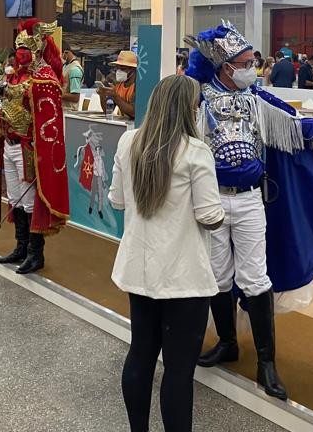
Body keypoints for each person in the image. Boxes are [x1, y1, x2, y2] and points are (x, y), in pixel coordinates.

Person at [185, 22, 313, 401]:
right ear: (226, 67)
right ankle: (227, 342)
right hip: (212, 199)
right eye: (245, 63)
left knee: (255, 276)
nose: (251, 68)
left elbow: (294, 126)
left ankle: (266, 362)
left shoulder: (257, 99)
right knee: (219, 275)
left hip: (252, 199)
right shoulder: (198, 99)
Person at [110, 75, 225, 432]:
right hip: (184, 276)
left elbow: (117, 200)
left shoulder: (128, 142)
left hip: (139, 270)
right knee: (178, 370)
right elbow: (210, 216)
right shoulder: (195, 152)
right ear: (190, 109)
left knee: (140, 354)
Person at [0, 20, 69, 274]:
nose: (20, 54)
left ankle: (36, 254)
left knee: (30, 200)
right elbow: (6, 108)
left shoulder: (44, 79)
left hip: (29, 148)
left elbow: (48, 118)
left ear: (36, 50)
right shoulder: (14, 76)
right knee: (15, 198)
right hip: (10, 144)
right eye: (18, 49)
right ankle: (21, 247)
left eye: (25, 50)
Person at [97, 50, 138, 120]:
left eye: (122, 69)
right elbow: (108, 111)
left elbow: (134, 113)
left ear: (132, 69)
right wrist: (102, 95)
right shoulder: (118, 85)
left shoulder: (137, 86)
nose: (119, 71)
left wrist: (115, 96)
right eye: (117, 68)